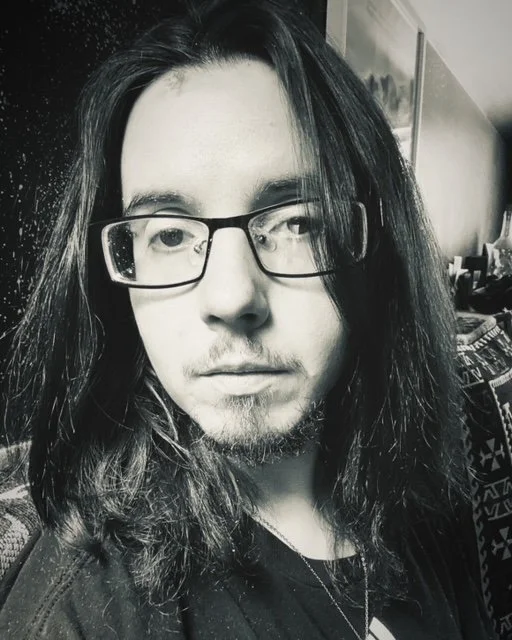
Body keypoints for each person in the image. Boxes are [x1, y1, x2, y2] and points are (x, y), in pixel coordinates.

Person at [0, 0, 496, 638]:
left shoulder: (419, 500)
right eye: (169, 234)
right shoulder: (84, 615)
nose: (232, 297)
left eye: (297, 223)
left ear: (374, 251)